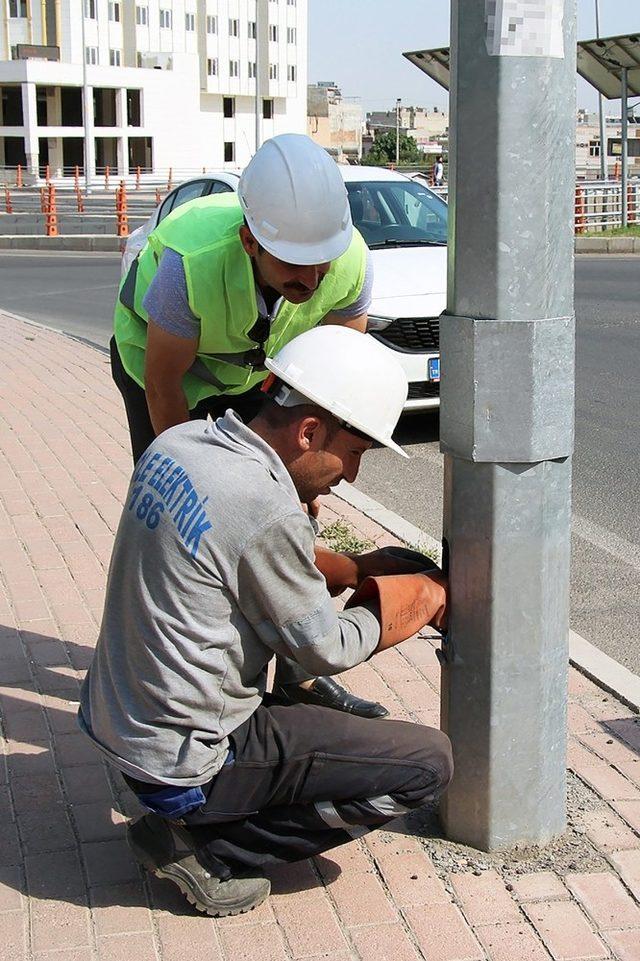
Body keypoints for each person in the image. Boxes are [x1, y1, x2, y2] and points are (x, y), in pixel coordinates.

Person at [79, 325, 453, 919]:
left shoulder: (185, 445)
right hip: (186, 763)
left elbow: (253, 558)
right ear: (309, 431)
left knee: (313, 707)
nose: (351, 475)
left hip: (123, 724)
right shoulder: (263, 505)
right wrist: (415, 599)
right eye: (354, 453)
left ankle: (199, 815)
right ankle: (211, 849)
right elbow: (322, 648)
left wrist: (353, 568)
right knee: (427, 764)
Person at [110, 132, 383, 718]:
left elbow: (328, 396)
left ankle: (296, 675)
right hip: (163, 376)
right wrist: (205, 486)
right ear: (249, 242)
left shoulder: (351, 264)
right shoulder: (192, 263)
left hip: (249, 374)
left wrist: (303, 489)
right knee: (192, 518)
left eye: (321, 262)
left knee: (289, 512)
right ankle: (181, 680)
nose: (311, 280)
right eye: (292, 265)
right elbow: (165, 389)